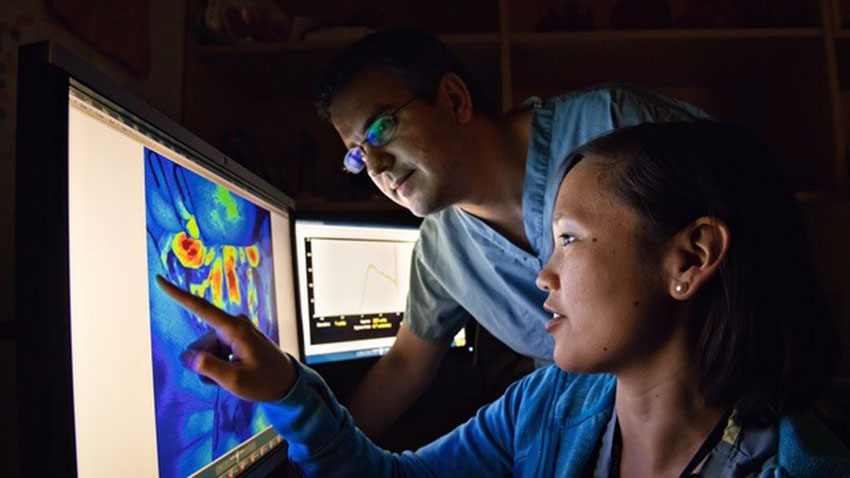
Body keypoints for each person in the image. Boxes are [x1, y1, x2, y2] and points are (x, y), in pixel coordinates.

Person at [159, 121, 849, 477]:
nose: (543, 276)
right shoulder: (551, 404)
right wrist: (287, 388)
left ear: (691, 258)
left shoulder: (799, 465)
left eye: (571, 240)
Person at [315, 27, 709, 436]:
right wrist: (313, 455)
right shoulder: (441, 249)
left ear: (454, 99)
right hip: (588, 438)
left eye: (381, 128)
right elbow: (404, 365)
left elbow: (759, 216)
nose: (376, 166)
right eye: (358, 155)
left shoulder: (616, 126)